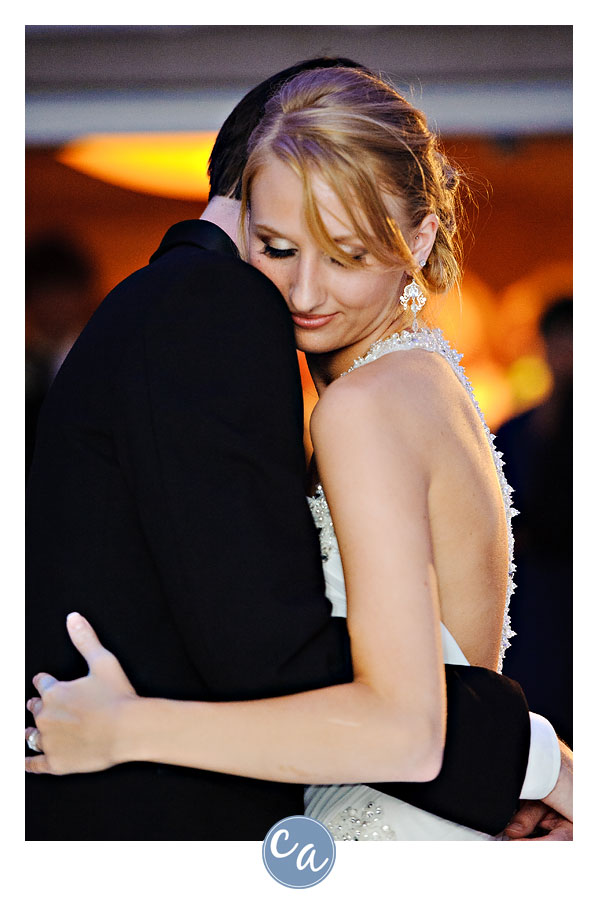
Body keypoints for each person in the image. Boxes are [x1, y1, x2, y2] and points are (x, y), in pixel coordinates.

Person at [26, 62, 571, 841]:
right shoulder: (427, 381)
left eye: (346, 257)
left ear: (418, 239)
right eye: (278, 247)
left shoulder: (362, 409)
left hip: (377, 820)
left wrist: (126, 729)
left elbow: (402, 727)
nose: (305, 293)